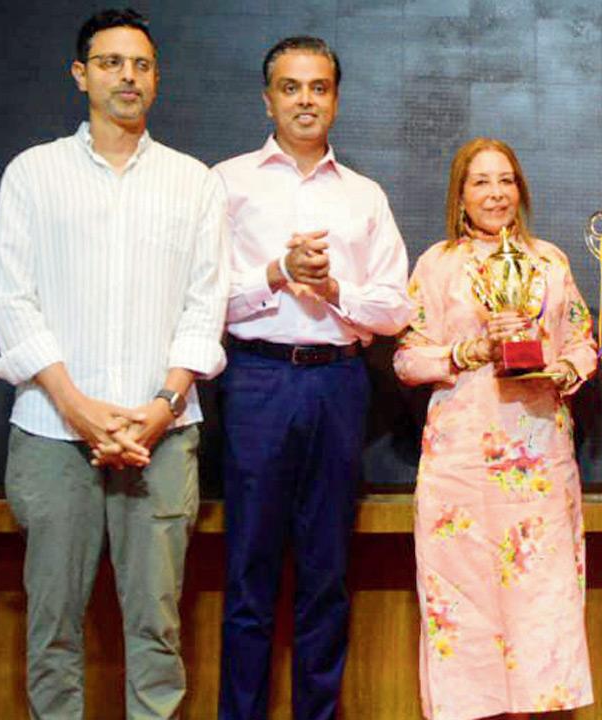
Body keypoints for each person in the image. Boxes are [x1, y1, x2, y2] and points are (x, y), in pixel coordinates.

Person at [0, 8, 228, 719]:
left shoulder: (194, 183)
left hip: (162, 434)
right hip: (52, 432)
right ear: (81, 74)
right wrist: (78, 407)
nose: (128, 76)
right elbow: (13, 301)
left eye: (142, 65)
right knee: (52, 626)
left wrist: (158, 408)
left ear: (156, 80)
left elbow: (203, 306)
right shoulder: (33, 173)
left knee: (156, 628)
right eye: (112, 62)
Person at [213, 36, 410, 720]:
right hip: (257, 380)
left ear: (336, 98)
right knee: (248, 578)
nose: (305, 100)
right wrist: (275, 273)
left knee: (326, 576)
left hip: (338, 384)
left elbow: (392, 309)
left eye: (319, 87)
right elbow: (201, 297)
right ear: (268, 99)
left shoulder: (364, 195)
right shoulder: (227, 182)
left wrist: (331, 290)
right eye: (291, 87)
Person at [393, 137, 597, 719]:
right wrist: (469, 350)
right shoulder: (437, 264)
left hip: (539, 464)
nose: (496, 192)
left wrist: (565, 368)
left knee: (542, 608)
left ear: (521, 190)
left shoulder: (550, 263)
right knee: (465, 613)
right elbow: (407, 360)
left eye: (505, 180)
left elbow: (584, 342)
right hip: (460, 473)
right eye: (481, 181)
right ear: (461, 195)